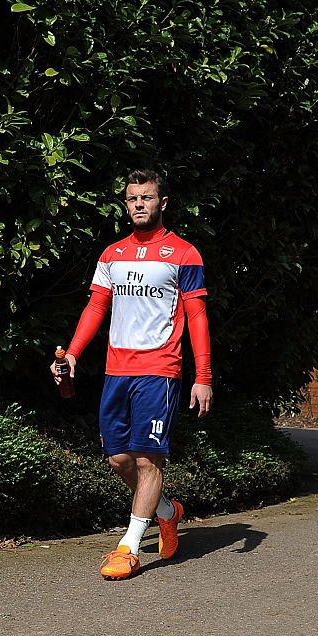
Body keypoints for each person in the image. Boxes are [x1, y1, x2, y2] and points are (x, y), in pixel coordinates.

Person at [51, 169, 213, 580]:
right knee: (119, 459)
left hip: (160, 370)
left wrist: (204, 375)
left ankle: (129, 546)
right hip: (116, 370)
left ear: (163, 203)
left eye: (147, 197)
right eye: (132, 198)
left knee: (147, 458)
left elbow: (196, 316)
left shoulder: (184, 253)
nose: (139, 204)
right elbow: (95, 308)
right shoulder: (111, 254)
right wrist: (72, 355)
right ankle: (166, 512)